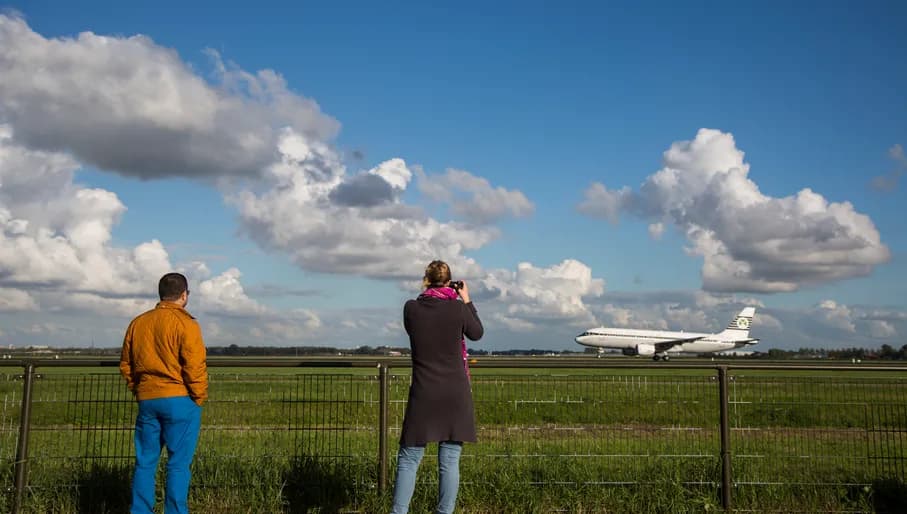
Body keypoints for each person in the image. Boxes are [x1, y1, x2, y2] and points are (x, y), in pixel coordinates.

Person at [391, 260, 484, 514]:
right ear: (450, 282)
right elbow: (476, 333)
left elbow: (415, 329)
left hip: (424, 393)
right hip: (455, 393)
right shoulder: (457, 309)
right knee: (449, 461)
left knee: (409, 460)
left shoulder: (411, 309)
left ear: (426, 279)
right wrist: (466, 300)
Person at [119, 272, 208, 514]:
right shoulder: (187, 323)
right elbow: (194, 365)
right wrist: (198, 397)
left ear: (160, 294)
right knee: (178, 465)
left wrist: (139, 388)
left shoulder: (138, 322)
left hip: (147, 399)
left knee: (145, 463)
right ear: (184, 295)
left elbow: (126, 363)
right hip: (180, 399)